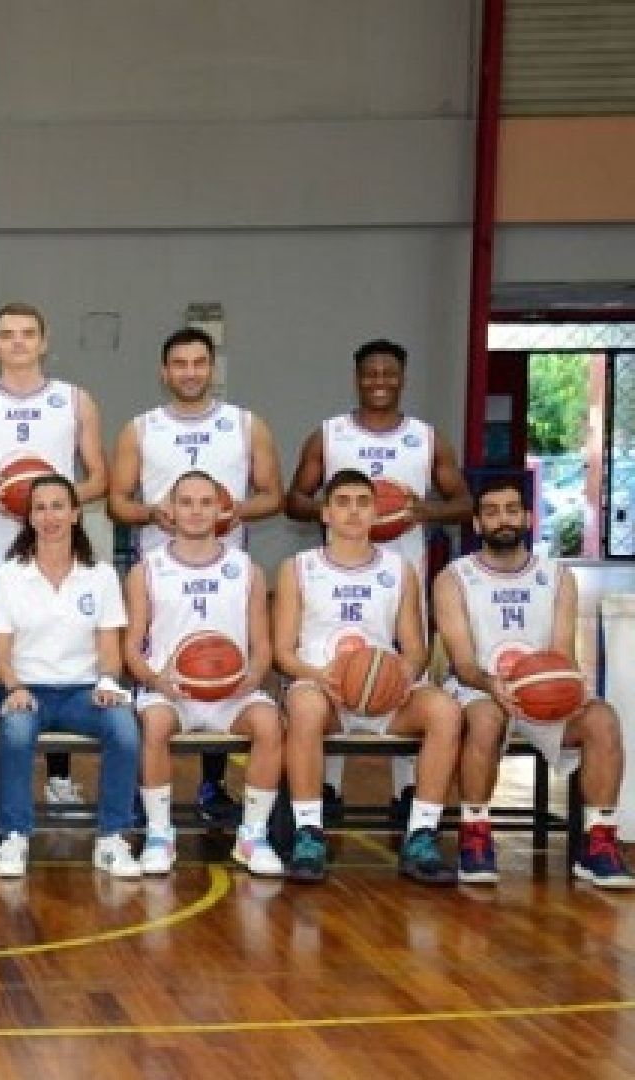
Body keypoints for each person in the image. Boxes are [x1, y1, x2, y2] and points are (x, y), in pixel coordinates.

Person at [286, 338, 473, 808]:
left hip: (401, 573)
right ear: (357, 378)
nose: (380, 381)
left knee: (401, 675)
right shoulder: (329, 435)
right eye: (371, 373)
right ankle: (326, 788)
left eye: (389, 373)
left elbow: (464, 503)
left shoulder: (426, 438)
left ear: (403, 378)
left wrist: (421, 511)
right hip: (338, 568)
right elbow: (294, 499)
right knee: (335, 663)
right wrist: (339, 511)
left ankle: (406, 789)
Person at [0, 302, 107, 807]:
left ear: (43, 342)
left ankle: (58, 776)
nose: (18, 342)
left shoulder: (75, 401)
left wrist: (55, 503)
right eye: (7, 334)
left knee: (58, 654)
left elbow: (99, 478)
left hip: (55, 551)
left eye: (28, 333)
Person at [107, 328, 283, 826]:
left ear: (212, 368)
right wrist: (152, 513)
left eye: (198, 362)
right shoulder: (140, 428)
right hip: (159, 566)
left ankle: (213, 783)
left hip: (225, 566)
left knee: (218, 661)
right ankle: (147, 794)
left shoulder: (246, 425)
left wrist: (230, 511)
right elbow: (117, 502)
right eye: (179, 364)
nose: (189, 372)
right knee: (158, 668)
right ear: (164, 372)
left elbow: (274, 495)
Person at [434, 476, 631, 888]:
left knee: (603, 720)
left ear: (527, 517)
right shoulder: (454, 578)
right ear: (477, 523)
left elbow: (561, 651)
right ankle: (474, 835)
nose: (503, 520)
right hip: (478, 688)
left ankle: (598, 844)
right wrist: (494, 685)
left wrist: (570, 689)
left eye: (511, 510)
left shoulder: (557, 576)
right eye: (491, 512)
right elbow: (463, 663)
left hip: (542, 691)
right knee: (486, 719)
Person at [274, 469, 462, 886]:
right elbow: (283, 652)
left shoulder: (400, 570)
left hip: (384, 694)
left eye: (363, 502)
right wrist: (319, 675)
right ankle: (309, 832)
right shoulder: (298, 568)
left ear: (377, 512)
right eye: (342, 502)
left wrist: (401, 675)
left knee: (446, 711)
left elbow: (415, 649)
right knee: (303, 705)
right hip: (324, 691)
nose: (354, 511)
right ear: (325, 513)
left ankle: (422, 834)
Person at [121, 471, 284, 878]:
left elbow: (262, 645)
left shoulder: (246, 569)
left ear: (221, 509)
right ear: (171, 510)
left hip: (231, 692)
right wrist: (155, 681)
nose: (196, 511)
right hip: (171, 689)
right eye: (186, 502)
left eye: (206, 502)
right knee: (153, 725)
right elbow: (131, 646)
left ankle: (253, 835)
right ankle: (160, 834)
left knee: (269, 723)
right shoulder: (147, 570)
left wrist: (253, 677)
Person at [0, 474, 141, 880]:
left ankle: (112, 838)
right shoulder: (7, 576)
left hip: (82, 692)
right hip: (23, 689)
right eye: (40, 507)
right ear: (29, 517)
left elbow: (110, 649)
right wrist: (15, 688)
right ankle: (14, 836)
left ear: (75, 514)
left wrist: (108, 683)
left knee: (124, 728)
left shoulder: (101, 575)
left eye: (58, 506)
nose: (49, 516)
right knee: (17, 732)